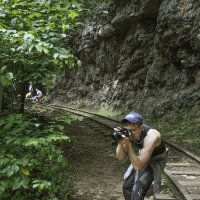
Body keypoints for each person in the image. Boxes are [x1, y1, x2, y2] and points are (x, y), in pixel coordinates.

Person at [115, 111, 168, 200]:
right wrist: (120, 141)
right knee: (127, 187)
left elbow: (138, 166)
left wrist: (128, 145)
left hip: (156, 159)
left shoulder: (152, 136)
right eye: (127, 130)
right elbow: (120, 157)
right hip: (143, 157)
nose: (130, 134)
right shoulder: (127, 134)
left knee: (137, 190)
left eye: (132, 131)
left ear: (141, 127)